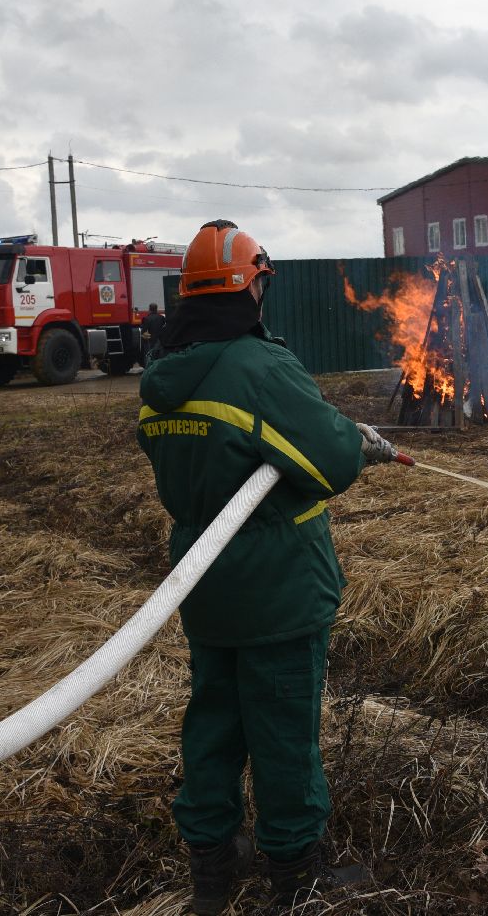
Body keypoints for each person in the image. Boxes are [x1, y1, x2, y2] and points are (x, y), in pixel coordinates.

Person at [136, 220, 397, 914]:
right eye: (261, 280)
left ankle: (212, 872)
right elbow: (330, 460)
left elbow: (242, 450)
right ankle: (296, 878)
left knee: (214, 724)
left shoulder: (165, 376)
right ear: (251, 285)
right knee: (283, 734)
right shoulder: (261, 366)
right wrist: (356, 445)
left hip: (206, 584)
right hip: (277, 587)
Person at [140, 302, 166, 368]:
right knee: (160, 355)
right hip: (160, 340)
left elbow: (143, 332)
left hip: (150, 341)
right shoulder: (161, 318)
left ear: (149, 309)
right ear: (156, 309)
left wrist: (145, 340)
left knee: (149, 355)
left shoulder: (146, 319)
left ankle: (149, 368)